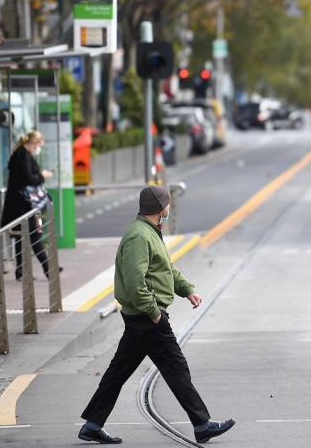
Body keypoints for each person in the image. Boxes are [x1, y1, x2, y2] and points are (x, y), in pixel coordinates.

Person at [78, 185, 234, 445]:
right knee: (176, 368)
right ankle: (202, 424)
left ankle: (92, 424)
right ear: (161, 209)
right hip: (147, 318)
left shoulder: (149, 232)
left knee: (118, 372)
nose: (169, 210)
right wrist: (154, 314)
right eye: (168, 206)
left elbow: (165, 268)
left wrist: (186, 290)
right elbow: (135, 281)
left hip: (141, 319)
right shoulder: (140, 236)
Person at [0, 131, 59, 281]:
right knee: (34, 235)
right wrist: (43, 176)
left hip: (19, 203)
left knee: (22, 237)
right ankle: (48, 269)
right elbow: (28, 178)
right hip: (23, 204)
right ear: (33, 143)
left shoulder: (20, 154)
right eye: (39, 145)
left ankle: (22, 271)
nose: (39, 149)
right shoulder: (23, 156)